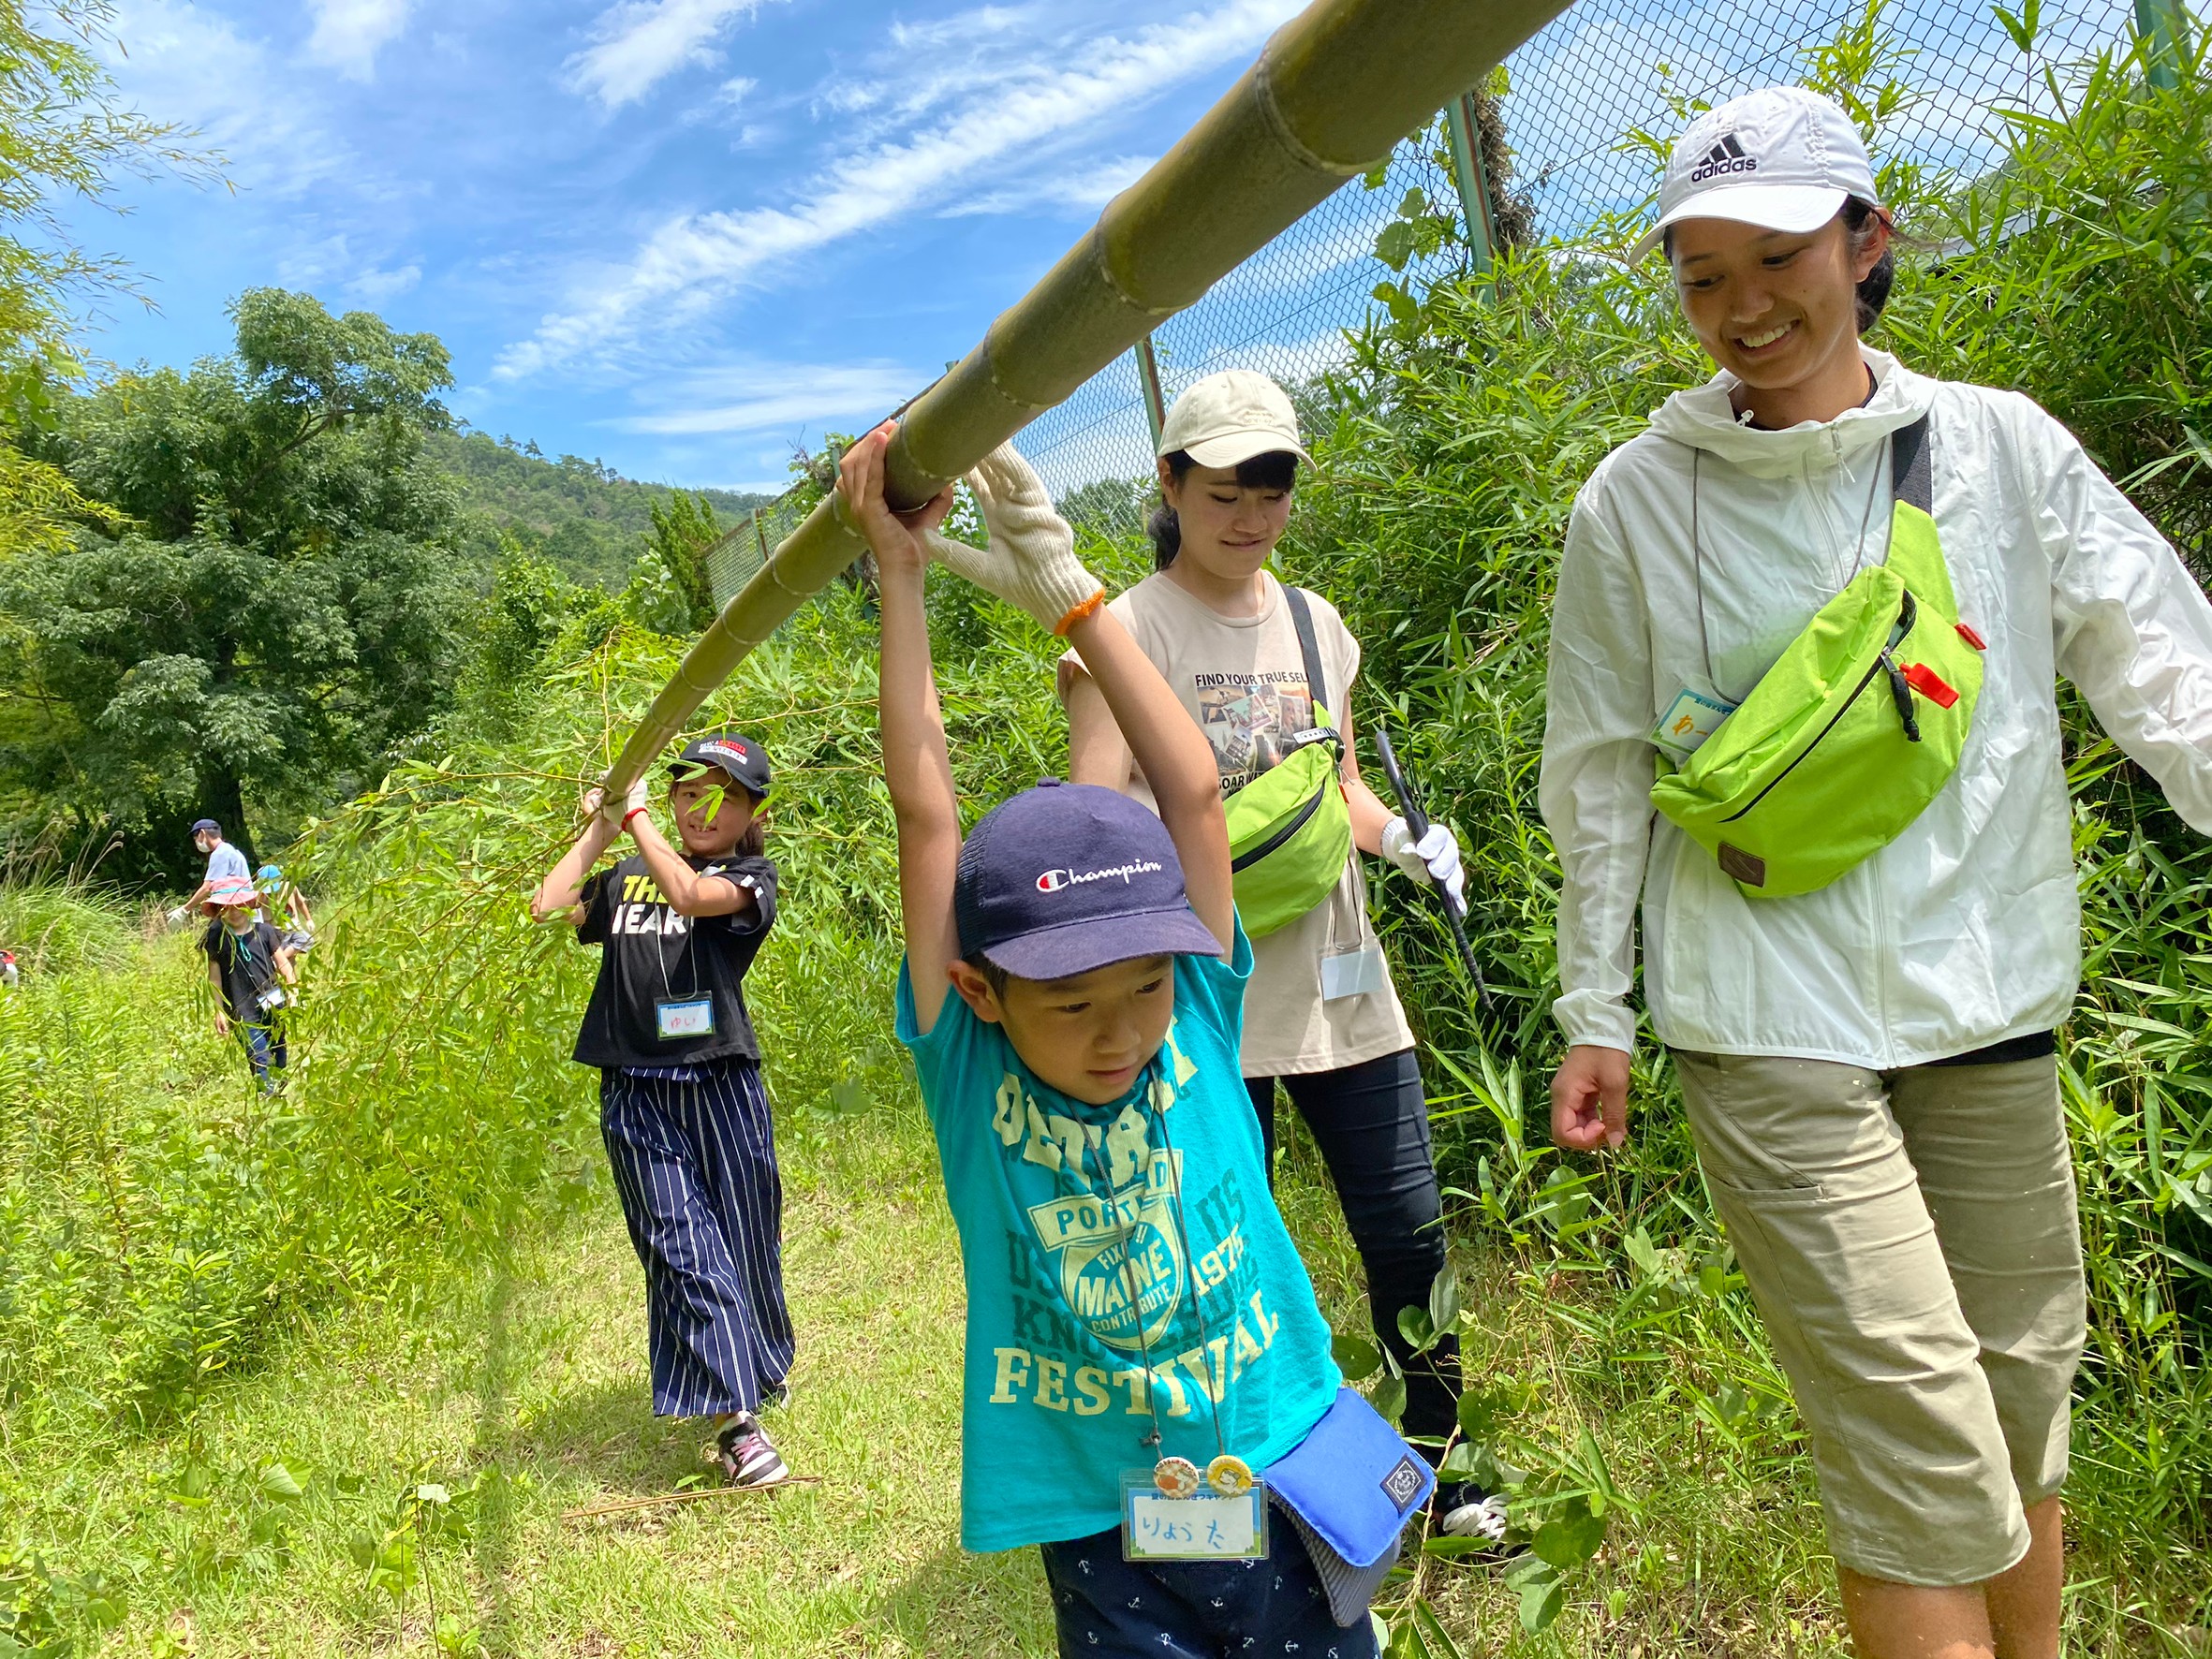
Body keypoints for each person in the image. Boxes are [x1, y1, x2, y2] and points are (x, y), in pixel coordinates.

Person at [1541, 86, 2212, 1659]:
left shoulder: (1994, 450)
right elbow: (1600, 775)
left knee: (2015, 1397)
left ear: (1864, 239)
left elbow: (2165, 669)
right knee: (1917, 1445)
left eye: (1772, 254)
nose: (1739, 307)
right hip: (1770, 1019)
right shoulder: (1633, 503)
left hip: (1983, 996)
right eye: (1699, 274)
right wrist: (1595, 1009)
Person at [846, 424, 1424, 1658]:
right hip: (1112, 1512)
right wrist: (899, 574)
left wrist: (1075, 600)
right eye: (1070, 1004)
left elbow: (1196, 792)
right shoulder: (967, 1065)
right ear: (980, 990)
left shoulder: (1200, 1018)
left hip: (1275, 1449)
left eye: (1144, 988)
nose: (1121, 1035)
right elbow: (922, 808)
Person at [1059, 369, 1494, 1539]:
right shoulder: (1125, 628)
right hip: (1201, 994)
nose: (1249, 513)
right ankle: (1221, 1495)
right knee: (1215, 1246)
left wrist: (1402, 838)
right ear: (1169, 483)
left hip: (1341, 983)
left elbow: (1339, 787)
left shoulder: (1315, 623)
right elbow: (1096, 814)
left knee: (1406, 1230)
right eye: (1223, 488)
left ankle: (1441, 1467)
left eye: (1273, 486)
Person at [531, 733, 794, 1487]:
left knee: (746, 1239)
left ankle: (759, 1363)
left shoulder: (751, 878)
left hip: (721, 1085)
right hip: (637, 1090)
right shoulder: (624, 875)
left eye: (726, 796)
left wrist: (638, 813)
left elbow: (689, 895)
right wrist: (603, 829)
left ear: (751, 814)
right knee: (681, 1251)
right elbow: (548, 907)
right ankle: (735, 1423)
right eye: (689, 791)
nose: (703, 807)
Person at [201, 874, 296, 1090]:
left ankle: (280, 1089)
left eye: (239, 905)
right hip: (241, 1009)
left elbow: (283, 964)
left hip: (273, 1002)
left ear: (249, 905)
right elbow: (214, 977)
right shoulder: (217, 938)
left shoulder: (265, 932)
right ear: (218, 911)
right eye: (227, 907)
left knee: (279, 1049)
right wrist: (219, 1010)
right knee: (258, 1055)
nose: (234, 912)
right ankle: (267, 1095)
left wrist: (292, 988)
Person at [177, 819, 252, 921]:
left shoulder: (220, 853)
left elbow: (208, 887)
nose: (196, 843)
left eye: (195, 838)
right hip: (245, 909)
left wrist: (184, 910)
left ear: (202, 834)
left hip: (236, 913)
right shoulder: (231, 850)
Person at [256, 864, 316, 954]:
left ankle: (282, 960)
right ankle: (281, 962)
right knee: (280, 953)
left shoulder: (288, 887)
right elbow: (255, 906)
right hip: (276, 930)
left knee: (307, 940)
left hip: (294, 926)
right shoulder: (261, 894)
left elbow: (300, 903)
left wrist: (309, 919)